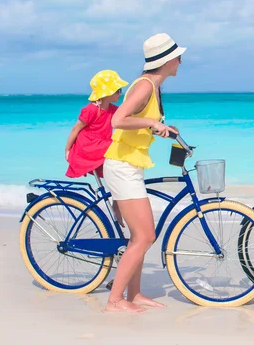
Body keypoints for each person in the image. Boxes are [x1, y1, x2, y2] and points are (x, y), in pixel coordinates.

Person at [103, 33, 185, 313]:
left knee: (140, 236)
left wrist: (158, 128)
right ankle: (114, 301)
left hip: (130, 166)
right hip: (122, 167)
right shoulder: (146, 86)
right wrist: (151, 121)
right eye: (177, 56)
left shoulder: (153, 86)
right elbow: (118, 120)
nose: (181, 61)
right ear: (166, 61)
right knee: (145, 236)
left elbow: (135, 123)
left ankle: (134, 294)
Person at [65, 70, 128, 179]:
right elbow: (76, 129)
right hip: (89, 146)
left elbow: (127, 117)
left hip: (101, 144)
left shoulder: (112, 109)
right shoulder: (91, 109)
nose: (120, 93)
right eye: (118, 90)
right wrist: (67, 150)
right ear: (108, 92)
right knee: (119, 147)